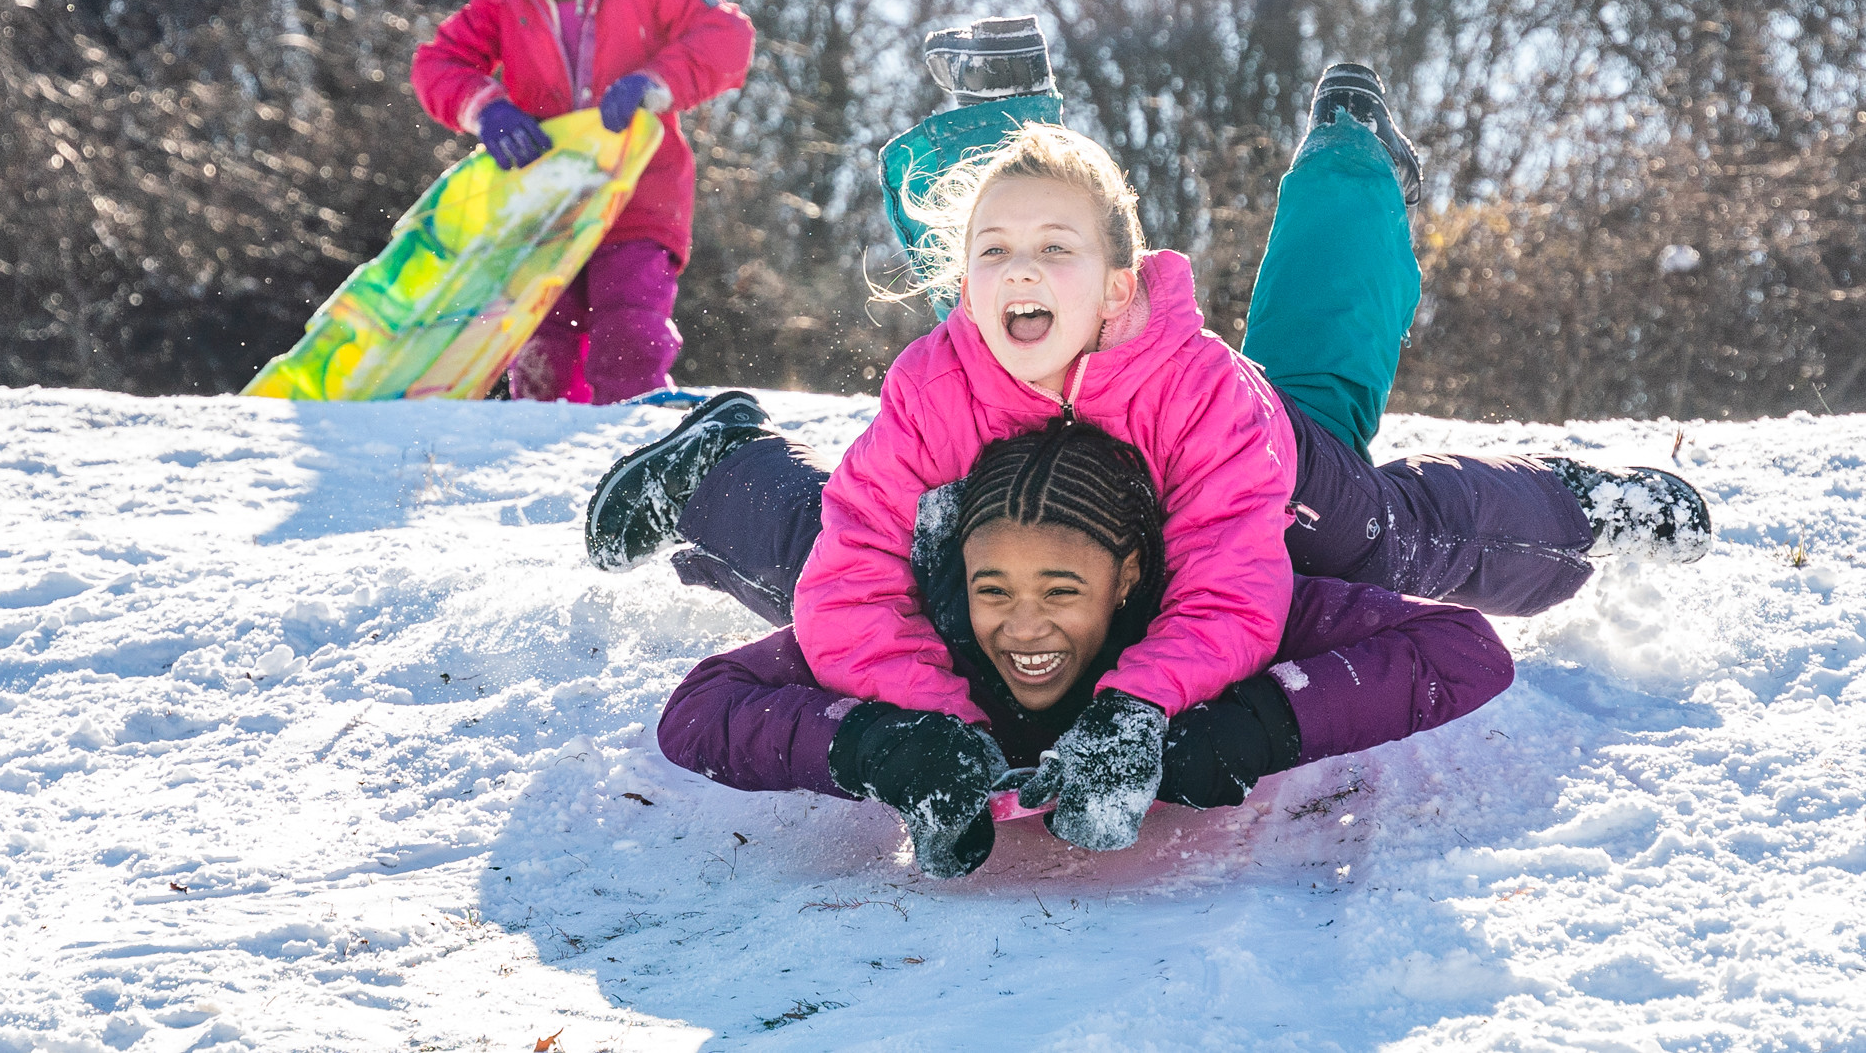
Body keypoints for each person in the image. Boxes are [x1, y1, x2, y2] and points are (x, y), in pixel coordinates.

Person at [587, 46, 1711, 852]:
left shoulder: (1189, 384)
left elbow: (1233, 579)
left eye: (1054, 252)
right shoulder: (939, 380)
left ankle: (1563, 477)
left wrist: (1143, 707)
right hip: (1065, 525)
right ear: (959, 283)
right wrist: (933, 722)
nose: (1019, 273)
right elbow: (851, 574)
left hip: (1267, 478)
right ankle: (722, 462)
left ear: (1119, 285)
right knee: (902, 585)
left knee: (1381, 540)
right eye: (992, 254)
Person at [656, 421, 1517, 878]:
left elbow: (1464, 648)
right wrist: (878, 746)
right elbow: (700, 708)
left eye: (1062, 594)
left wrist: (1245, 729)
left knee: (1373, 514)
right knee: (808, 552)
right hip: (930, 513)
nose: (1023, 627)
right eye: (994, 591)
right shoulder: (917, 619)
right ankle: (719, 462)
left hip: (1248, 444)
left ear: (1128, 577)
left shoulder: (1213, 621)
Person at [411, 0, 754, 404]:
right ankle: (545, 461)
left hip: (639, 195)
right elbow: (439, 62)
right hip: (543, 198)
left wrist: (655, 83)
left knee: (630, 335)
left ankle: (634, 447)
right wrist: (488, 107)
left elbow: (727, 38)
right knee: (543, 346)